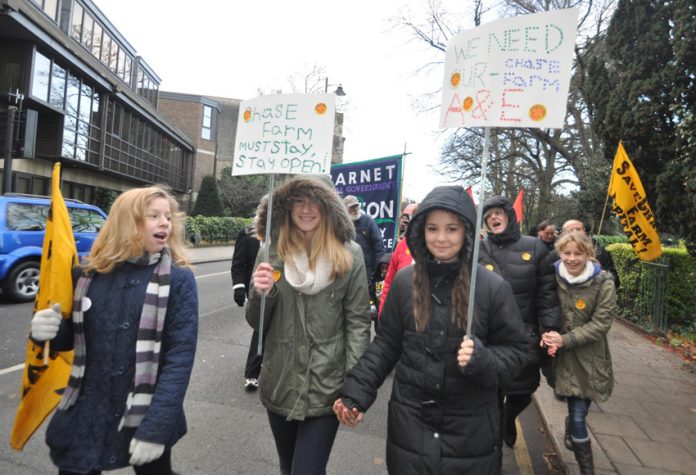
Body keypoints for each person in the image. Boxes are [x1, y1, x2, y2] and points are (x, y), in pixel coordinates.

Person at [333, 185, 528, 474]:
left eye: (451, 229)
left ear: (466, 232)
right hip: (411, 429)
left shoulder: (491, 287)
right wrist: (356, 393)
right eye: (433, 228)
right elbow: (386, 345)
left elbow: (518, 354)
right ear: (421, 231)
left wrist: (484, 360)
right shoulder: (404, 282)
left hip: (471, 435)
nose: (441, 238)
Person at [29, 185, 198, 475]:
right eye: (153, 216)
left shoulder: (179, 280)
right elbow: (70, 342)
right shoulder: (86, 274)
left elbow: (179, 361)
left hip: (146, 409)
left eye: (167, 217)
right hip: (87, 409)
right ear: (127, 222)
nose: (164, 223)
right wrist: (46, 331)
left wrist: (156, 429)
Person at [246, 175, 371, 475]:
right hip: (281, 381)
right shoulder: (270, 252)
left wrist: (355, 388)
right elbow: (256, 322)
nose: (306, 209)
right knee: (289, 468)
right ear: (287, 207)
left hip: (327, 386)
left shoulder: (350, 253)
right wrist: (261, 293)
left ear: (329, 206)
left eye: (315, 200)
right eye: (298, 200)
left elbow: (357, 324)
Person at [479, 196, 562, 448]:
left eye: (498, 212)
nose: (494, 217)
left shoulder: (535, 247)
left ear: (509, 216)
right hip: (490, 337)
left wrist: (549, 329)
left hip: (525, 336)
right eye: (489, 214)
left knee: (523, 391)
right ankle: (492, 448)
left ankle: (508, 416)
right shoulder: (479, 250)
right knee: (491, 393)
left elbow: (547, 293)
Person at [541, 231, 616, 475]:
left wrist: (565, 339)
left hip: (590, 358)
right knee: (577, 414)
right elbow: (543, 306)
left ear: (588, 254)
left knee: (579, 411)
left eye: (578, 253)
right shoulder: (552, 276)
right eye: (567, 253)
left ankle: (580, 452)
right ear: (560, 253)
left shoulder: (604, 281)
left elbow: (601, 324)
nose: (572, 258)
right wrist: (546, 333)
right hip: (560, 358)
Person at [231, 221, 261, 391]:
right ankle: (252, 374)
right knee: (261, 329)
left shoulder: (285, 232)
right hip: (256, 290)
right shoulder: (248, 234)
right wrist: (239, 287)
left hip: (281, 290)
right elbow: (239, 263)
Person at [377, 203, 418, 317]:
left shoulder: (436, 247)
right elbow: (389, 283)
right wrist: (383, 314)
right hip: (400, 316)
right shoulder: (403, 245)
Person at [561, 219, 620, 288]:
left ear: (584, 231)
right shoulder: (558, 252)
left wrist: (604, 276)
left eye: (578, 229)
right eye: (570, 230)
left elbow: (615, 281)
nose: (575, 232)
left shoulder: (600, 251)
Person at [344, 195, 386, 289]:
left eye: (356, 206)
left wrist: (377, 272)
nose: (355, 209)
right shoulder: (341, 225)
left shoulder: (368, 221)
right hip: (349, 273)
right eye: (351, 207)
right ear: (345, 209)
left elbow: (379, 247)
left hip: (368, 272)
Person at [370, 252, 391, 333]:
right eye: (383, 268)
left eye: (387, 268)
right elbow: (371, 294)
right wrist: (372, 305)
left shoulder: (396, 280)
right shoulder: (376, 281)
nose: (385, 271)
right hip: (379, 316)